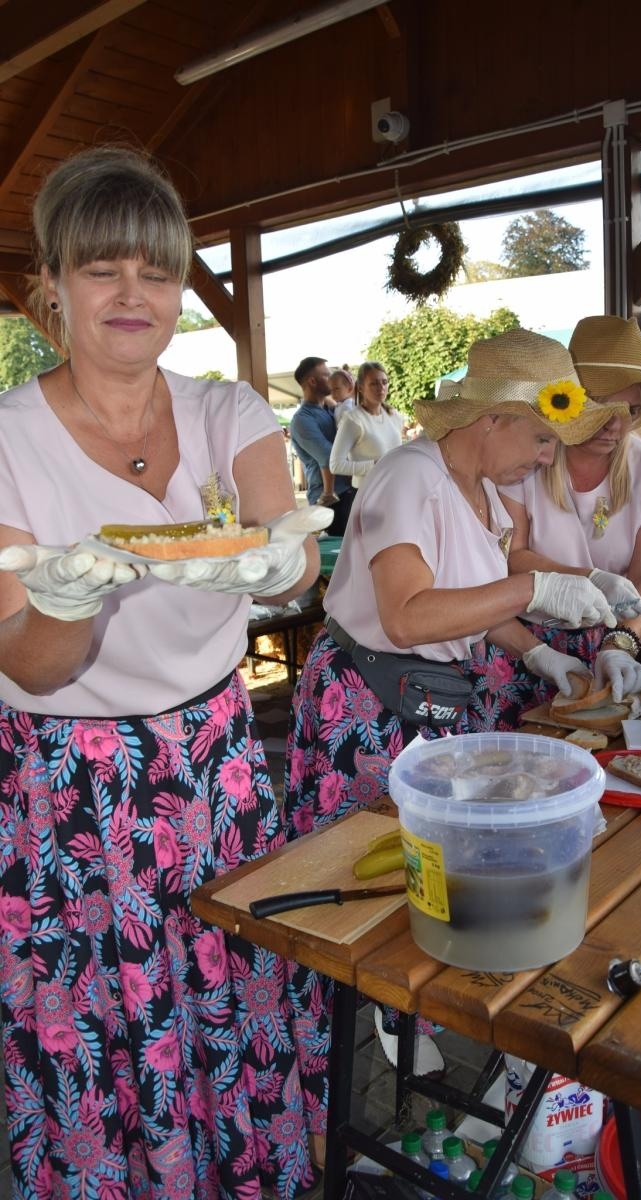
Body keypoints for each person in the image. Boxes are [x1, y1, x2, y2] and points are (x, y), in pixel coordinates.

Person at [0, 146, 331, 1200]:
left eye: (157, 268)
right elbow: (34, 668)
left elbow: (283, 531)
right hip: (70, 786)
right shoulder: (6, 439)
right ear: (52, 282)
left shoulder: (227, 407)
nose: (133, 293)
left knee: (230, 992)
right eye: (103, 268)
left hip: (215, 761)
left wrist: (286, 554)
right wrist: (69, 598)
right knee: (101, 1020)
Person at [283, 328, 628, 1072]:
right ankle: (333, 1058)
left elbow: (469, 602)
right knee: (353, 878)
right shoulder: (410, 476)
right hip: (366, 699)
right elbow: (408, 613)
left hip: (425, 698)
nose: (544, 456)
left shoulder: (483, 495)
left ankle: (405, 1011)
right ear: (489, 419)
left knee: (425, 863)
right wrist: (535, 590)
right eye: (539, 436)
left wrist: (531, 648)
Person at [501, 315, 641, 703]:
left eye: (629, 410)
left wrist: (621, 642)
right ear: (568, 398)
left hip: (618, 635)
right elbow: (510, 558)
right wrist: (591, 577)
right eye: (598, 405)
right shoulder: (525, 460)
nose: (614, 425)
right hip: (525, 640)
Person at [289, 356, 355, 533]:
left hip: (348, 492)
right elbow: (329, 457)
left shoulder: (331, 408)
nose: (333, 378)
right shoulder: (302, 420)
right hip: (331, 501)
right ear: (312, 381)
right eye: (326, 375)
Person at [329, 360, 404, 488]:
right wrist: (375, 465)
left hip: (395, 489)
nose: (381, 387)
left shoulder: (394, 415)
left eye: (384, 382)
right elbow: (336, 465)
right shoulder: (353, 419)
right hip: (368, 494)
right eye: (374, 383)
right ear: (361, 387)